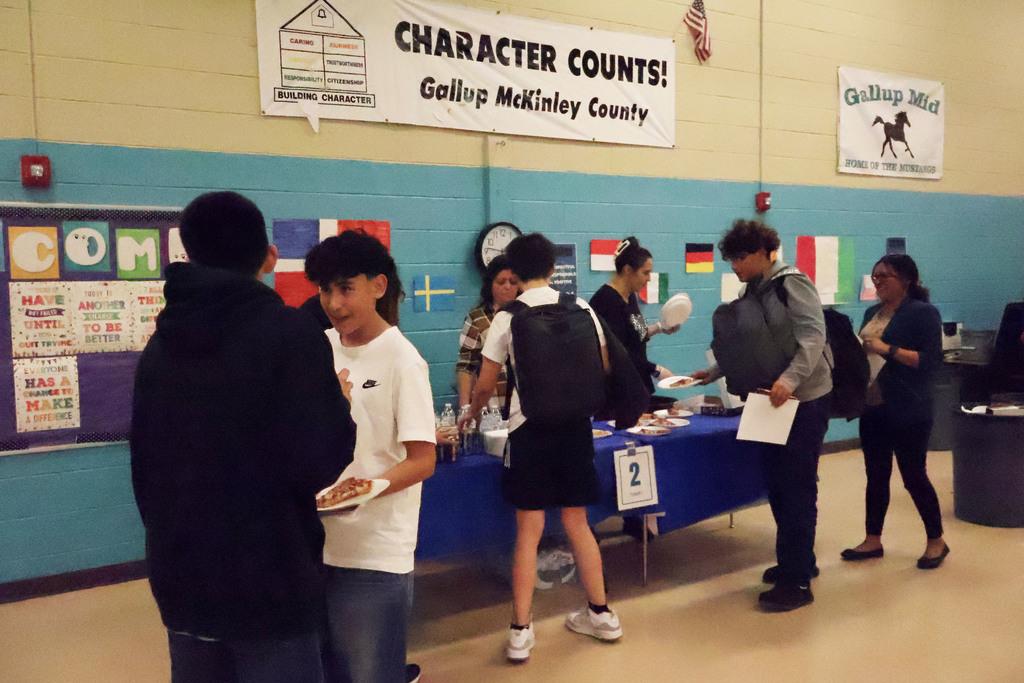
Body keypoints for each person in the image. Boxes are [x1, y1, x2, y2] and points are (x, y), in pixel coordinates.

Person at [130, 191, 357, 683]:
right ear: (269, 257)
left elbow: (145, 469)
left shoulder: (160, 346)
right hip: (269, 579)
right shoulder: (291, 333)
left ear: (189, 255)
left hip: (181, 573)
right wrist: (339, 404)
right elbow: (320, 459)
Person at [457, 232, 622, 662]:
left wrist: (471, 413)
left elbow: (485, 383)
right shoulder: (582, 307)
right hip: (576, 428)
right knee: (577, 522)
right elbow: (605, 365)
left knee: (529, 531)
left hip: (528, 430)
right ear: (552, 268)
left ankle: (520, 632)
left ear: (514, 271)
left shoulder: (507, 317)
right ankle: (602, 615)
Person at [304, 231, 437, 683]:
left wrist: (365, 489)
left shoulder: (403, 360)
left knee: (369, 673)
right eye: (325, 290)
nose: (334, 303)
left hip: (374, 552)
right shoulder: (316, 348)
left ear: (378, 286)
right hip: (312, 542)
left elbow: (423, 460)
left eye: (346, 288)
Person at [690, 219, 832, 613]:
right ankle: (797, 561)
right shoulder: (751, 290)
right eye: (731, 259)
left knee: (797, 486)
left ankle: (797, 583)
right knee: (777, 483)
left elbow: (813, 337)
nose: (734, 265)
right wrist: (715, 371)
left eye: (740, 258)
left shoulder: (792, 284)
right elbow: (749, 345)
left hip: (804, 399)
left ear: (764, 253)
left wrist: (789, 380)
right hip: (770, 400)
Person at [841, 254, 949, 569]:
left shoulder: (923, 313)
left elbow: (929, 361)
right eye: (874, 276)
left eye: (883, 276)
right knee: (876, 475)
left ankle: (936, 541)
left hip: (909, 407)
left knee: (913, 476)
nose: (877, 282)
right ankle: (872, 539)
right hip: (873, 406)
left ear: (906, 279)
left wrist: (887, 349)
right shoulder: (871, 312)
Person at [588, 236, 678, 409]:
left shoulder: (630, 296)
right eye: (645, 273)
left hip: (637, 385)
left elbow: (638, 333)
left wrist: (660, 327)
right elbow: (618, 353)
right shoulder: (606, 301)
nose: (649, 278)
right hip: (617, 392)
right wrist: (655, 369)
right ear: (628, 270)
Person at [456, 254, 521, 410]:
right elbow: (466, 366)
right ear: (490, 284)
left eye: (513, 282)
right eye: (501, 282)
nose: (507, 286)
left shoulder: (527, 315)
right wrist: (465, 407)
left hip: (522, 407)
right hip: (491, 407)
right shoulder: (477, 319)